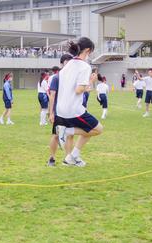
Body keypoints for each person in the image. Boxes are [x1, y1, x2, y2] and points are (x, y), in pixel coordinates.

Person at [56, 37, 103, 167]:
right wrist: (90, 81)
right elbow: (78, 90)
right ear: (87, 50)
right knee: (98, 129)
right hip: (73, 109)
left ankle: (72, 157)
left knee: (87, 130)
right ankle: (67, 131)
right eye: (91, 52)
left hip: (62, 108)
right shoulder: (84, 66)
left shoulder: (68, 64)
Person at [47, 54, 73, 167]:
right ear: (62, 63)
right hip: (59, 112)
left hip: (71, 112)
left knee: (70, 135)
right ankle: (52, 158)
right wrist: (51, 112)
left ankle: (68, 158)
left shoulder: (72, 78)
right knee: (56, 135)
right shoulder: (56, 78)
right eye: (67, 62)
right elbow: (52, 96)